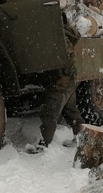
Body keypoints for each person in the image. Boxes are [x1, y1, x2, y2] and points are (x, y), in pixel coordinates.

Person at [27, 23, 84, 153]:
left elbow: (60, 58)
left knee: (50, 114)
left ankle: (44, 144)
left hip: (61, 82)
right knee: (71, 111)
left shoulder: (59, 37)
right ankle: (81, 137)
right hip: (68, 79)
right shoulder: (66, 34)